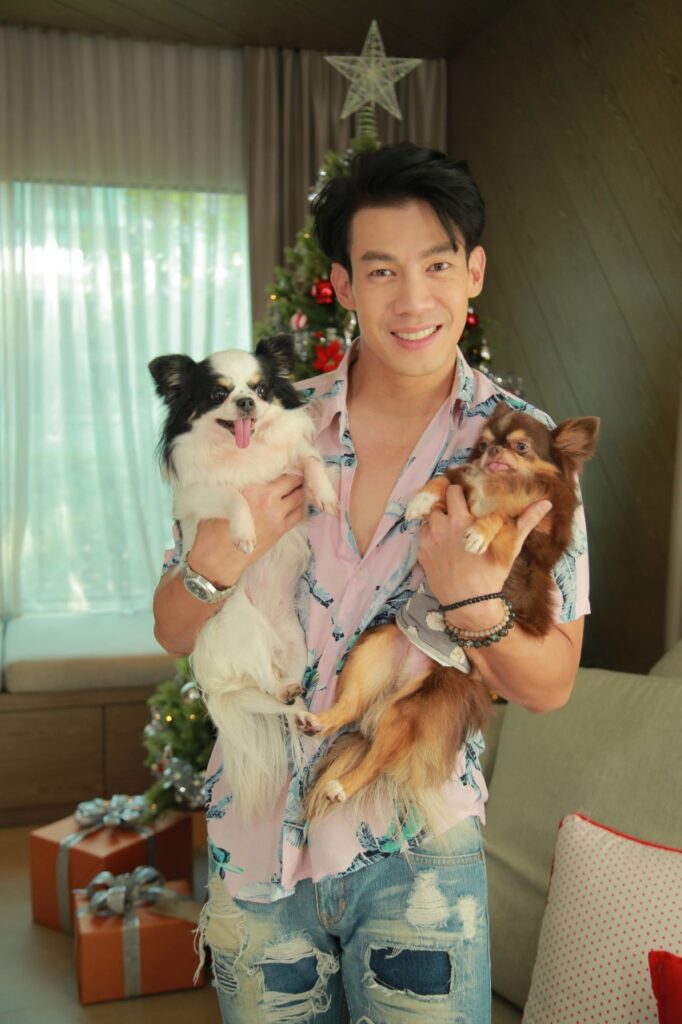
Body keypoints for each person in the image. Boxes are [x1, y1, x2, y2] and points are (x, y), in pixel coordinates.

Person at [153, 142, 590, 1023]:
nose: (413, 299)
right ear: (345, 286)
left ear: (474, 273)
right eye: (382, 271)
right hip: (256, 843)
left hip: (416, 849)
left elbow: (551, 684)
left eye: (437, 266)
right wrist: (217, 561)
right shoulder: (266, 422)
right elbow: (170, 627)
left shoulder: (526, 447)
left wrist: (472, 601)